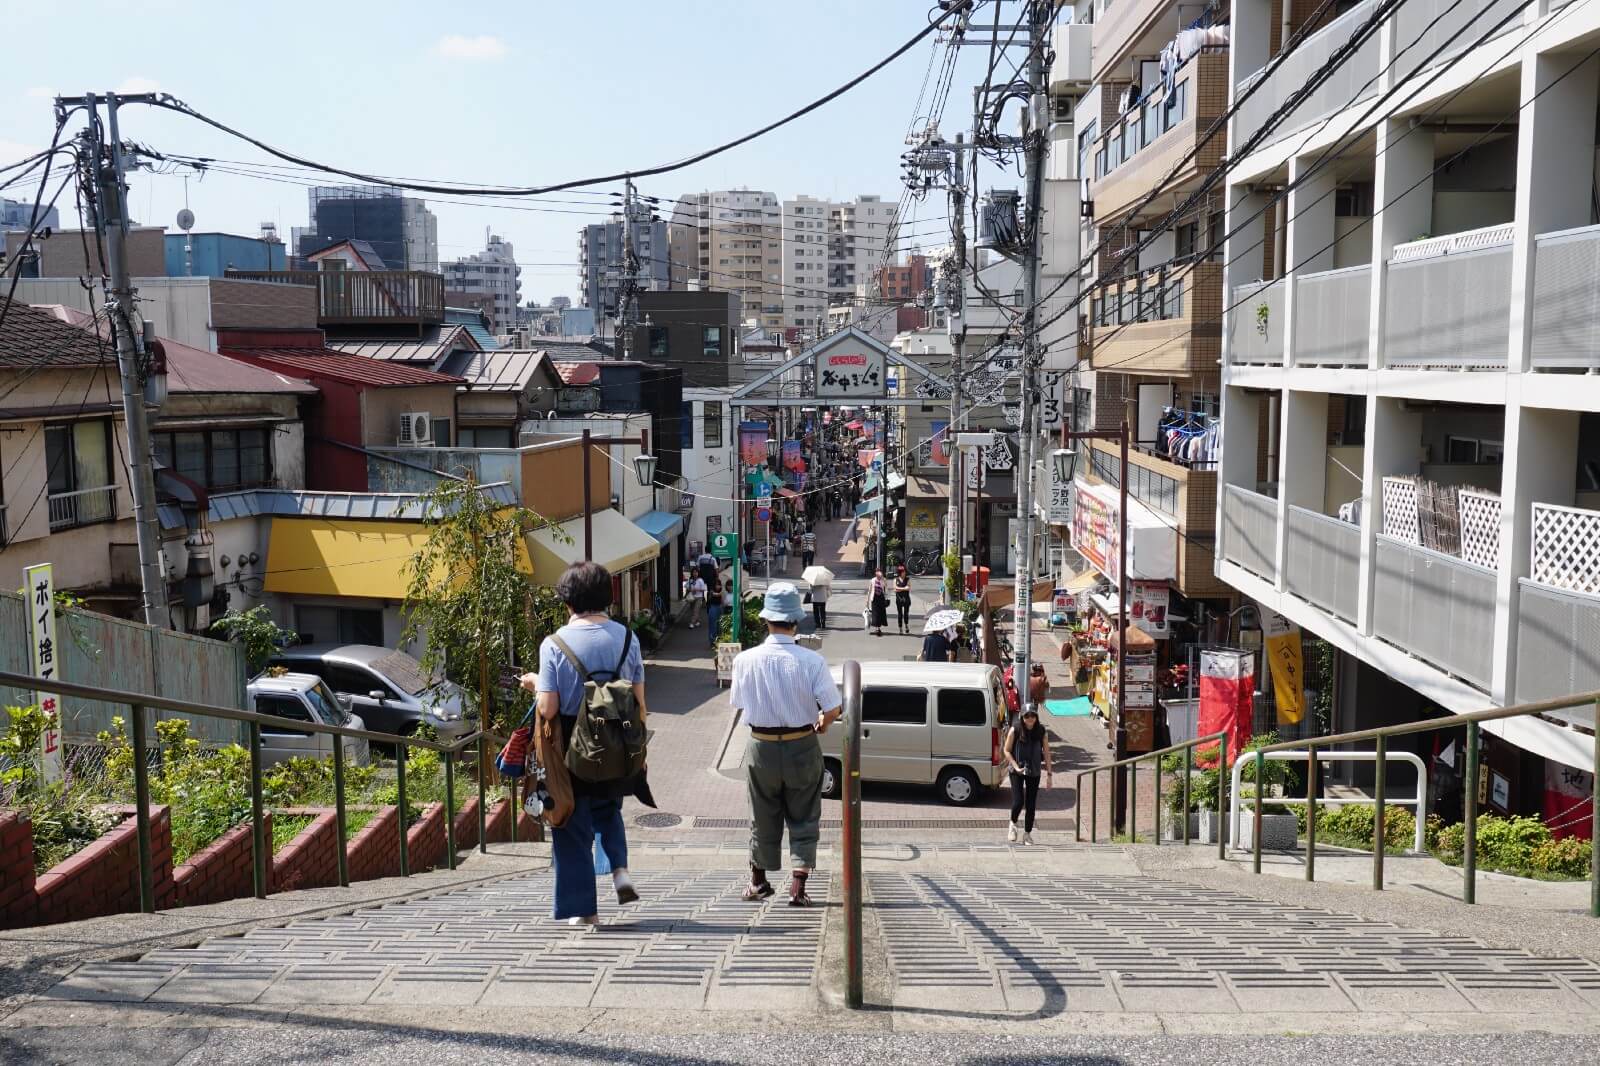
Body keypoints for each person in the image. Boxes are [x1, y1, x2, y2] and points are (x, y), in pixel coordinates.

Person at [521, 561, 646, 926]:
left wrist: (532, 684)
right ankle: (620, 869)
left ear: (568, 602)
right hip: (619, 743)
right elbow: (641, 702)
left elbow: (549, 707)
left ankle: (585, 912)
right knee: (609, 808)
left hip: (571, 751)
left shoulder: (555, 644)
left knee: (571, 825)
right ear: (608, 597)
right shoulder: (627, 638)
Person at [729, 583, 842, 906]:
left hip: (760, 745)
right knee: (805, 812)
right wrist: (824, 722)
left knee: (761, 812)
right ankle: (798, 886)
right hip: (802, 743)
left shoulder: (745, 660)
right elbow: (832, 707)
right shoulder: (811, 661)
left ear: (766, 620)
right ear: (796, 620)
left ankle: (758, 881)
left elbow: (738, 702)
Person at [1004, 706, 1052, 844]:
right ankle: (1013, 824)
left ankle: (1027, 834)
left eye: (1032, 716)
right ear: (1022, 717)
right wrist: (1014, 766)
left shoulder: (1041, 731)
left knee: (1031, 805)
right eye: (1027, 716)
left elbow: (1047, 753)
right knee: (1018, 801)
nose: (1030, 719)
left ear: (1036, 717)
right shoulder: (1016, 730)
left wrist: (1049, 774)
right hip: (1017, 770)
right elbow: (1006, 750)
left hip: (1034, 770)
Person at [868, 569, 888, 637]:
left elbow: (886, 588)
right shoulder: (872, 580)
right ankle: (877, 628)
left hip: (881, 598)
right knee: (875, 614)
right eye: (878, 574)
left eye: (880, 574)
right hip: (874, 598)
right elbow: (870, 590)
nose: (879, 576)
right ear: (876, 574)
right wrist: (867, 600)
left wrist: (887, 598)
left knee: (881, 613)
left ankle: (878, 627)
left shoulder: (883, 579)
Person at [892, 566, 912, 634]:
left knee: (906, 613)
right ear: (900, 572)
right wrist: (904, 588)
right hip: (899, 599)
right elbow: (894, 589)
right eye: (903, 572)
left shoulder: (907, 579)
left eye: (905, 571)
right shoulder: (896, 579)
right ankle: (900, 628)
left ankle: (906, 625)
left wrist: (899, 589)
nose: (905, 573)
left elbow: (908, 588)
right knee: (900, 614)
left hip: (906, 599)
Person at [706, 580, 723, 648]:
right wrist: (722, 592)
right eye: (716, 585)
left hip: (719, 607)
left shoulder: (721, 591)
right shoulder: (711, 591)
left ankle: (718, 640)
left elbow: (722, 600)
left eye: (719, 584)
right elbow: (716, 594)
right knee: (713, 625)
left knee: (719, 625)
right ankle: (712, 641)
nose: (718, 586)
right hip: (712, 608)